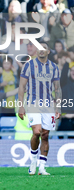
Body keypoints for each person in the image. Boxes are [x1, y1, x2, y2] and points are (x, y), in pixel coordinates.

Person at [18, 41, 61, 176]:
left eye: (44, 48)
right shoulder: (28, 66)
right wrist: (21, 106)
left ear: (48, 52)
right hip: (32, 103)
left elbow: (57, 88)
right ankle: (33, 161)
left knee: (46, 135)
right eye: (39, 48)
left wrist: (58, 106)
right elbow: (21, 87)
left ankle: (42, 167)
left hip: (48, 104)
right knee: (37, 132)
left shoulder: (54, 67)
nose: (41, 50)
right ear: (36, 51)